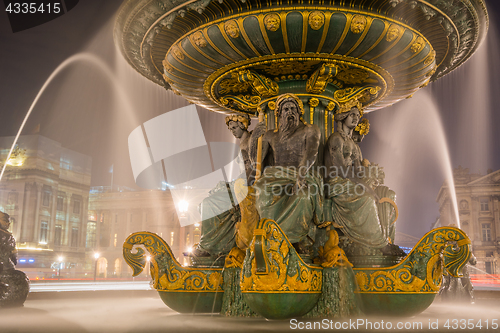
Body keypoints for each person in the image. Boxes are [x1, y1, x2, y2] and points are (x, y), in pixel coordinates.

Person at [251, 93, 323, 252]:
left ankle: (295, 240)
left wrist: (301, 175)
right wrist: (254, 138)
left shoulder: (310, 130)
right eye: (286, 109)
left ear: (299, 113)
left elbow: (311, 153)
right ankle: (270, 236)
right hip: (275, 176)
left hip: (301, 173)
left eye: (293, 109)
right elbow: (255, 163)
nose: (290, 112)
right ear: (279, 114)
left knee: (302, 196)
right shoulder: (270, 135)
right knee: (262, 192)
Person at [323, 100, 397, 249]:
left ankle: (386, 238)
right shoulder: (336, 139)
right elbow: (340, 169)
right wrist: (365, 187)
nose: (356, 118)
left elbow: (358, 171)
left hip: (350, 183)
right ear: (343, 116)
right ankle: (379, 244)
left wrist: (372, 177)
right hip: (336, 183)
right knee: (367, 198)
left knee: (388, 194)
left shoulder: (354, 146)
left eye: (357, 115)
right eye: (352, 114)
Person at [0, 211, 30, 307]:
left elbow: (13, 255)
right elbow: (14, 256)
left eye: (9, 222)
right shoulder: (8, 236)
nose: (8, 223)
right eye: (5, 221)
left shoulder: (9, 236)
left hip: (6, 268)